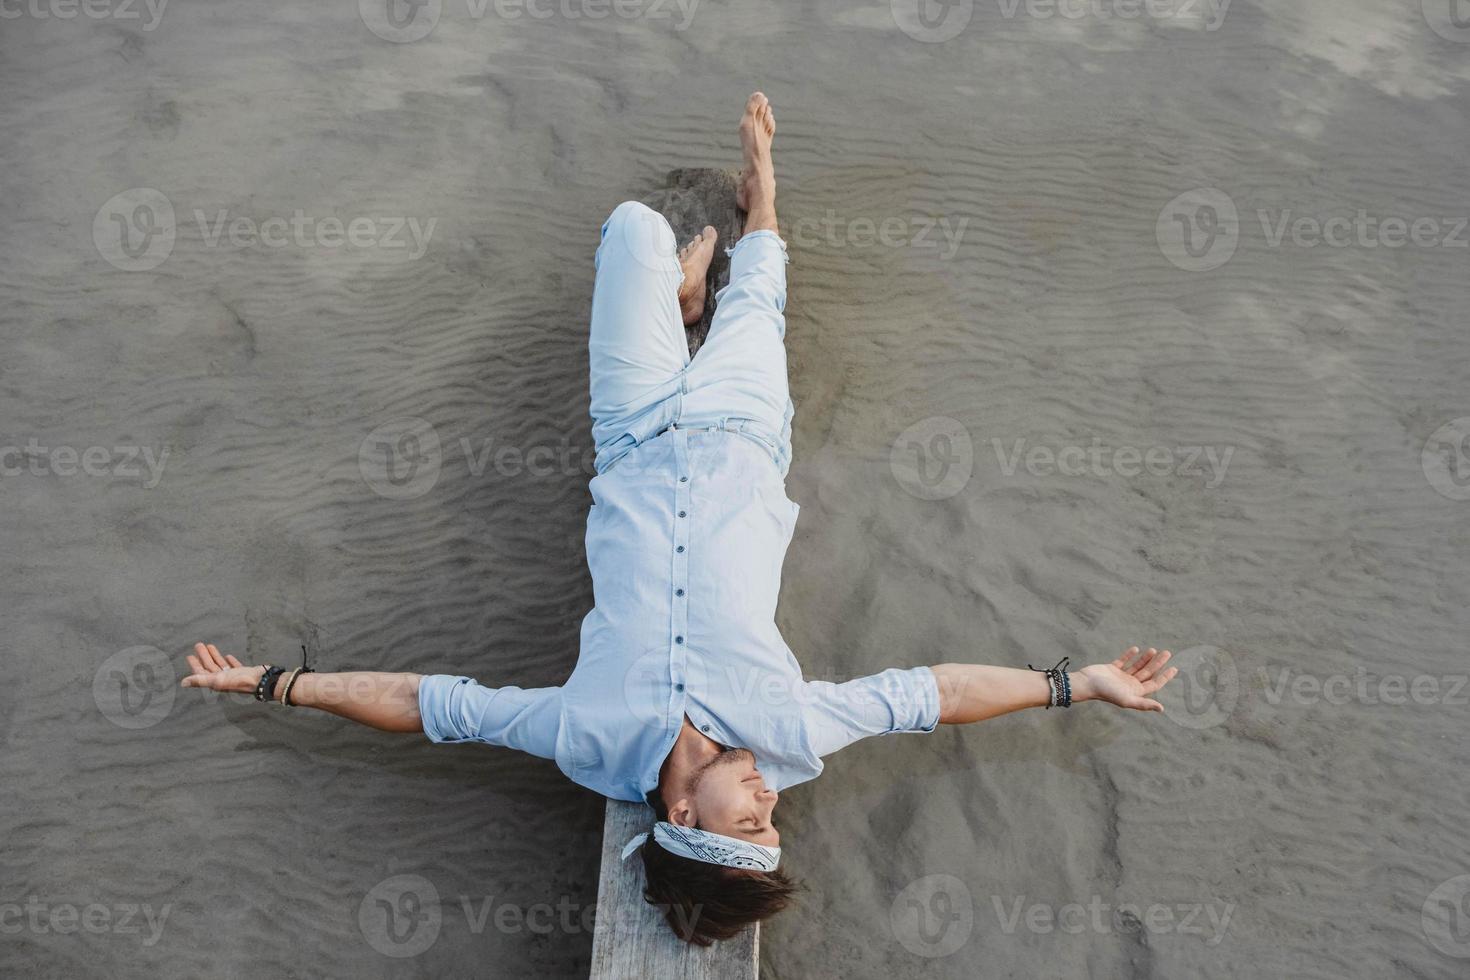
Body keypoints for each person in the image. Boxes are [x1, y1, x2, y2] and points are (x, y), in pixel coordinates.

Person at [181, 92, 1180, 946]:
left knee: (631, 225)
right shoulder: (789, 731)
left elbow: (432, 703)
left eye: (748, 825)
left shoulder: (588, 735)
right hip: (745, 430)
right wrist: (1071, 682)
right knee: (763, 296)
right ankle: (761, 197)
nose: (770, 804)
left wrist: (277, 681)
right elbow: (931, 692)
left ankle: (676, 288)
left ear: (679, 813)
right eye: (769, 823)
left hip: (633, 427)